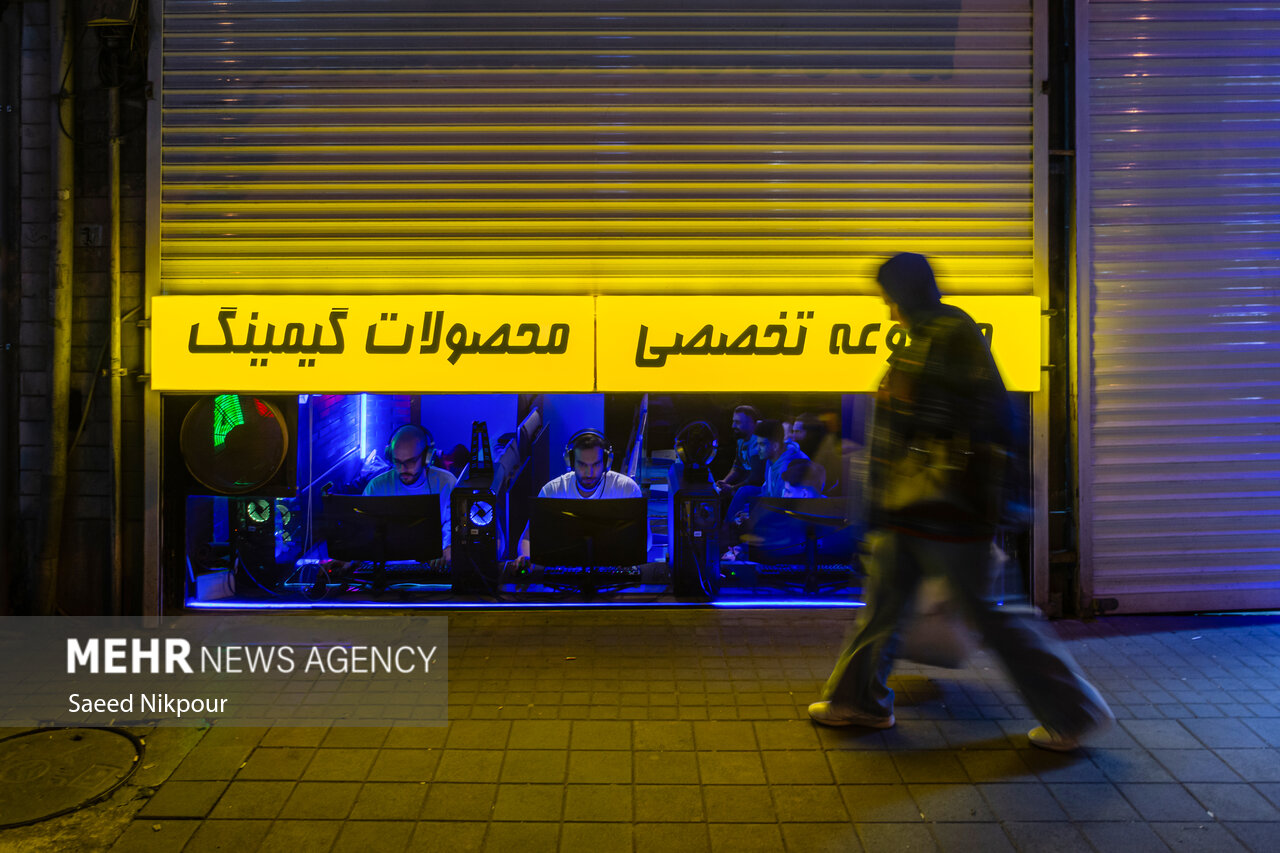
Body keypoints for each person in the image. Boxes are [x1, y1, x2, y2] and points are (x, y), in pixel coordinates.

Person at [809, 252, 1113, 752]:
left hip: (944, 510)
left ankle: (1073, 712)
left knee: (990, 614)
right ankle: (858, 700)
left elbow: (919, 420)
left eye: (889, 300)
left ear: (903, 295)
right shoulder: (942, 335)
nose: (888, 311)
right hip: (917, 508)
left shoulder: (940, 338)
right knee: (885, 604)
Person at [518, 429, 642, 559]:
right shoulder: (552, 491)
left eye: (596, 465)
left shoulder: (626, 489)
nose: (589, 473)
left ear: (606, 462)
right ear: (571, 462)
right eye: (582, 465)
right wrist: (525, 558)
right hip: (564, 570)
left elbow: (645, 540)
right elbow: (529, 537)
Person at [363, 424, 456, 563]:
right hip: (388, 573)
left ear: (427, 457)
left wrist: (449, 548)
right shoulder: (376, 487)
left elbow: (456, 527)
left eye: (410, 462)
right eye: (397, 462)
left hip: (433, 570)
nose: (402, 469)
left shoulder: (447, 483)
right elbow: (362, 532)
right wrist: (350, 559)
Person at [714, 405, 765, 497]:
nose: (733, 426)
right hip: (744, 487)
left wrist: (732, 488)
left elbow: (755, 478)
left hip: (756, 492)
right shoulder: (741, 440)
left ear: (750, 424)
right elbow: (737, 467)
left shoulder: (758, 443)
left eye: (737, 422)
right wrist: (724, 482)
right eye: (733, 421)